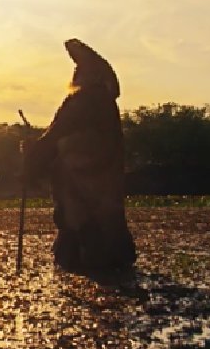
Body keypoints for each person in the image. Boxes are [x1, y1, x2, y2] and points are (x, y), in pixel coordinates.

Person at [24, 38, 136, 275]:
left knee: (78, 215)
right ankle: (109, 259)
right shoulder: (105, 103)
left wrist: (34, 152)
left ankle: (87, 257)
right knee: (106, 213)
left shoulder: (82, 100)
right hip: (104, 173)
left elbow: (56, 133)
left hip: (79, 173)